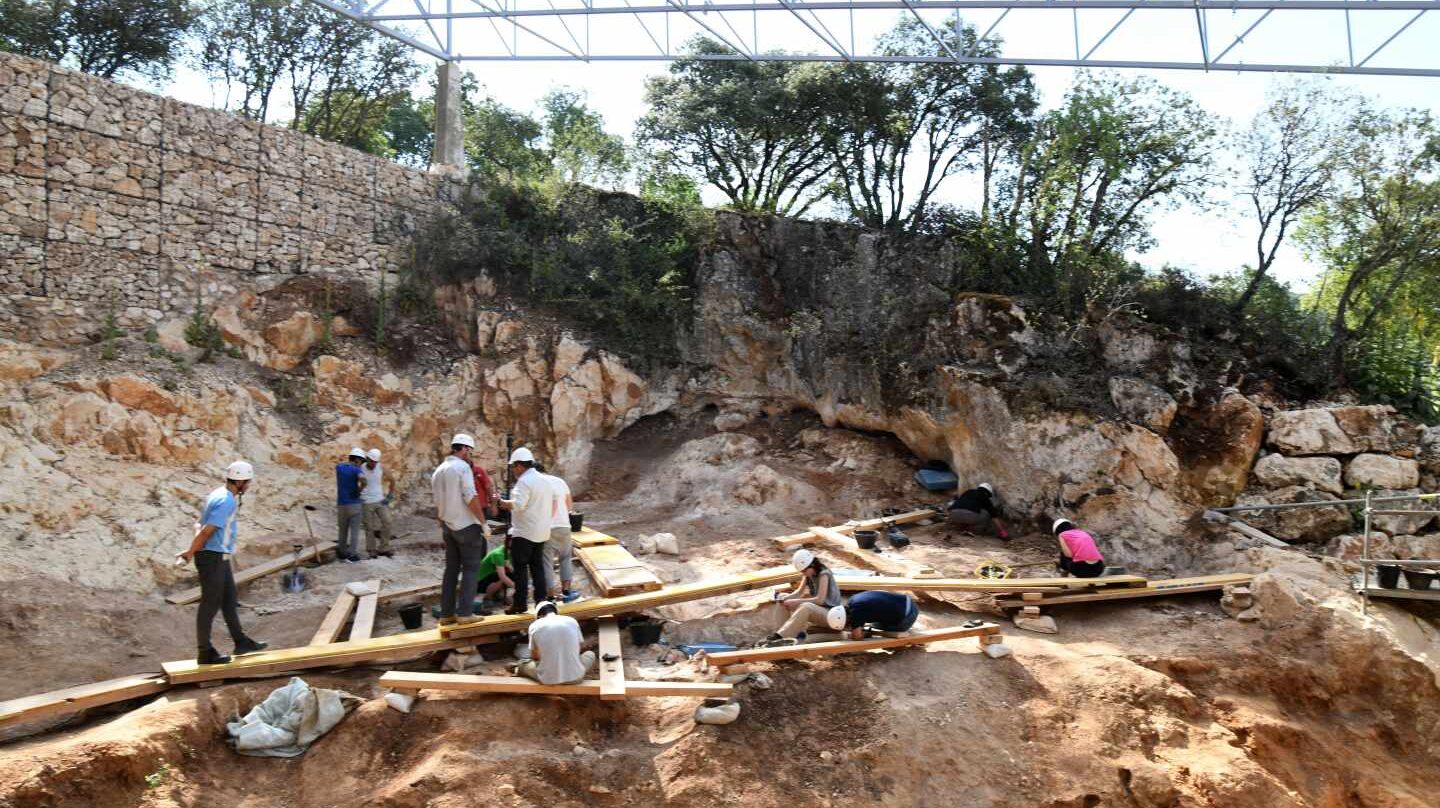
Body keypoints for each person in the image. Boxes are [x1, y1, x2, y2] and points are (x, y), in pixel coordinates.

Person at [176, 461, 269, 665]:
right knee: (210, 604)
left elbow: (198, 525)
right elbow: (208, 530)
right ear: (241, 481)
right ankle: (205, 652)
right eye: (248, 481)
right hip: (212, 556)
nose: (249, 485)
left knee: (228, 599)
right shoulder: (226, 501)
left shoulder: (218, 494)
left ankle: (241, 642)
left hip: (218, 555)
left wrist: (193, 547)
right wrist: (191, 552)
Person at [431, 433, 490, 625]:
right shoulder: (462, 467)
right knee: (472, 568)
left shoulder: (439, 470)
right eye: (469, 451)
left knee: (451, 570)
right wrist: (483, 522)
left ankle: (446, 614)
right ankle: (465, 613)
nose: (470, 456)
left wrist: (443, 521)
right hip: (466, 526)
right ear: (464, 449)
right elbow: (470, 497)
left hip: (448, 527)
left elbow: (438, 502)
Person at [498, 447, 555, 615]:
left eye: (514, 467)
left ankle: (520, 603)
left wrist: (502, 502)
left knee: (521, 568)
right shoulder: (544, 480)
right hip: (541, 532)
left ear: (519, 465)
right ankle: (541, 601)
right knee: (537, 567)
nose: (514, 471)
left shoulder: (524, 482)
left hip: (524, 533)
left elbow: (518, 504)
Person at [758, 549, 843, 646]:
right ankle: (779, 636)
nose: (803, 573)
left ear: (811, 565)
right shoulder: (808, 573)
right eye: (802, 571)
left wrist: (796, 602)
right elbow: (799, 592)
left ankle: (780, 636)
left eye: (804, 571)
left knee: (806, 606)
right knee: (783, 597)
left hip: (831, 614)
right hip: (820, 611)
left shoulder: (824, 574)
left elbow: (820, 600)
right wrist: (785, 599)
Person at [516, 601, 596, 685]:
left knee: (523, 663)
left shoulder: (534, 626)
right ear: (555, 612)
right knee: (590, 654)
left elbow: (535, 656)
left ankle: (517, 669)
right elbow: (579, 648)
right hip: (576, 678)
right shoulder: (572, 621)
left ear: (539, 616)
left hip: (548, 680)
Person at [536, 462, 579, 603]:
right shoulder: (560, 481)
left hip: (546, 528)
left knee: (546, 563)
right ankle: (567, 593)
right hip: (563, 526)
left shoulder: (536, 483)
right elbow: (569, 504)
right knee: (565, 558)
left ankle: (550, 597)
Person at [826, 590, 920, 641]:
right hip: (908, 602)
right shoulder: (852, 601)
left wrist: (861, 634)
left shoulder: (856, 614)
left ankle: (904, 626)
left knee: (875, 627)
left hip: (908, 616)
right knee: (871, 623)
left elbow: (857, 638)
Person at [334, 448, 367, 563]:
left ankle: (342, 552)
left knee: (342, 530)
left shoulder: (339, 467)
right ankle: (352, 554)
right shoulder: (356, 470)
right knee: (354, 531)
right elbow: (363, 480)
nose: (361, 464)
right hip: (354, 504)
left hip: (341, 503)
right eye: (361, 461)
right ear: (357, 460)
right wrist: (359, 490)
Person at [361, 448, 395, 559]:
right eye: (371, 461)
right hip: (366, 501)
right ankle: (371, 549)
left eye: (375, 462)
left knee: (387, 521)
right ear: (367, 459)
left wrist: (390, 495)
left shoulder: (381, 467)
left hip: (380, 500)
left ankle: (384, 547)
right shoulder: (361, 468)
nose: (373, 464)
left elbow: (392, 480)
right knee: (369, 526)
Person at [946, 482, 1010, 539]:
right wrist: (1002, 530)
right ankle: (974, 531)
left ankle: (962, 527)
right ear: (987, 492)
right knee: (987, 513)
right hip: (969, 516)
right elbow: (994, 516)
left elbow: (958, 503)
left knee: (971, 512)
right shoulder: (985, 497)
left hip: (953, 514)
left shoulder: (968, 491)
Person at [475, 534, 516, 607]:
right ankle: (487, 597)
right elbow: (502, 576)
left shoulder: (511, 553)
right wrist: (519, 589)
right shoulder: (498, 554)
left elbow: (514, 573)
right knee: (503, 576)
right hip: (480, 584)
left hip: (489, 580)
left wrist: (510, 567)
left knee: (513, 575)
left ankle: (500, 596)